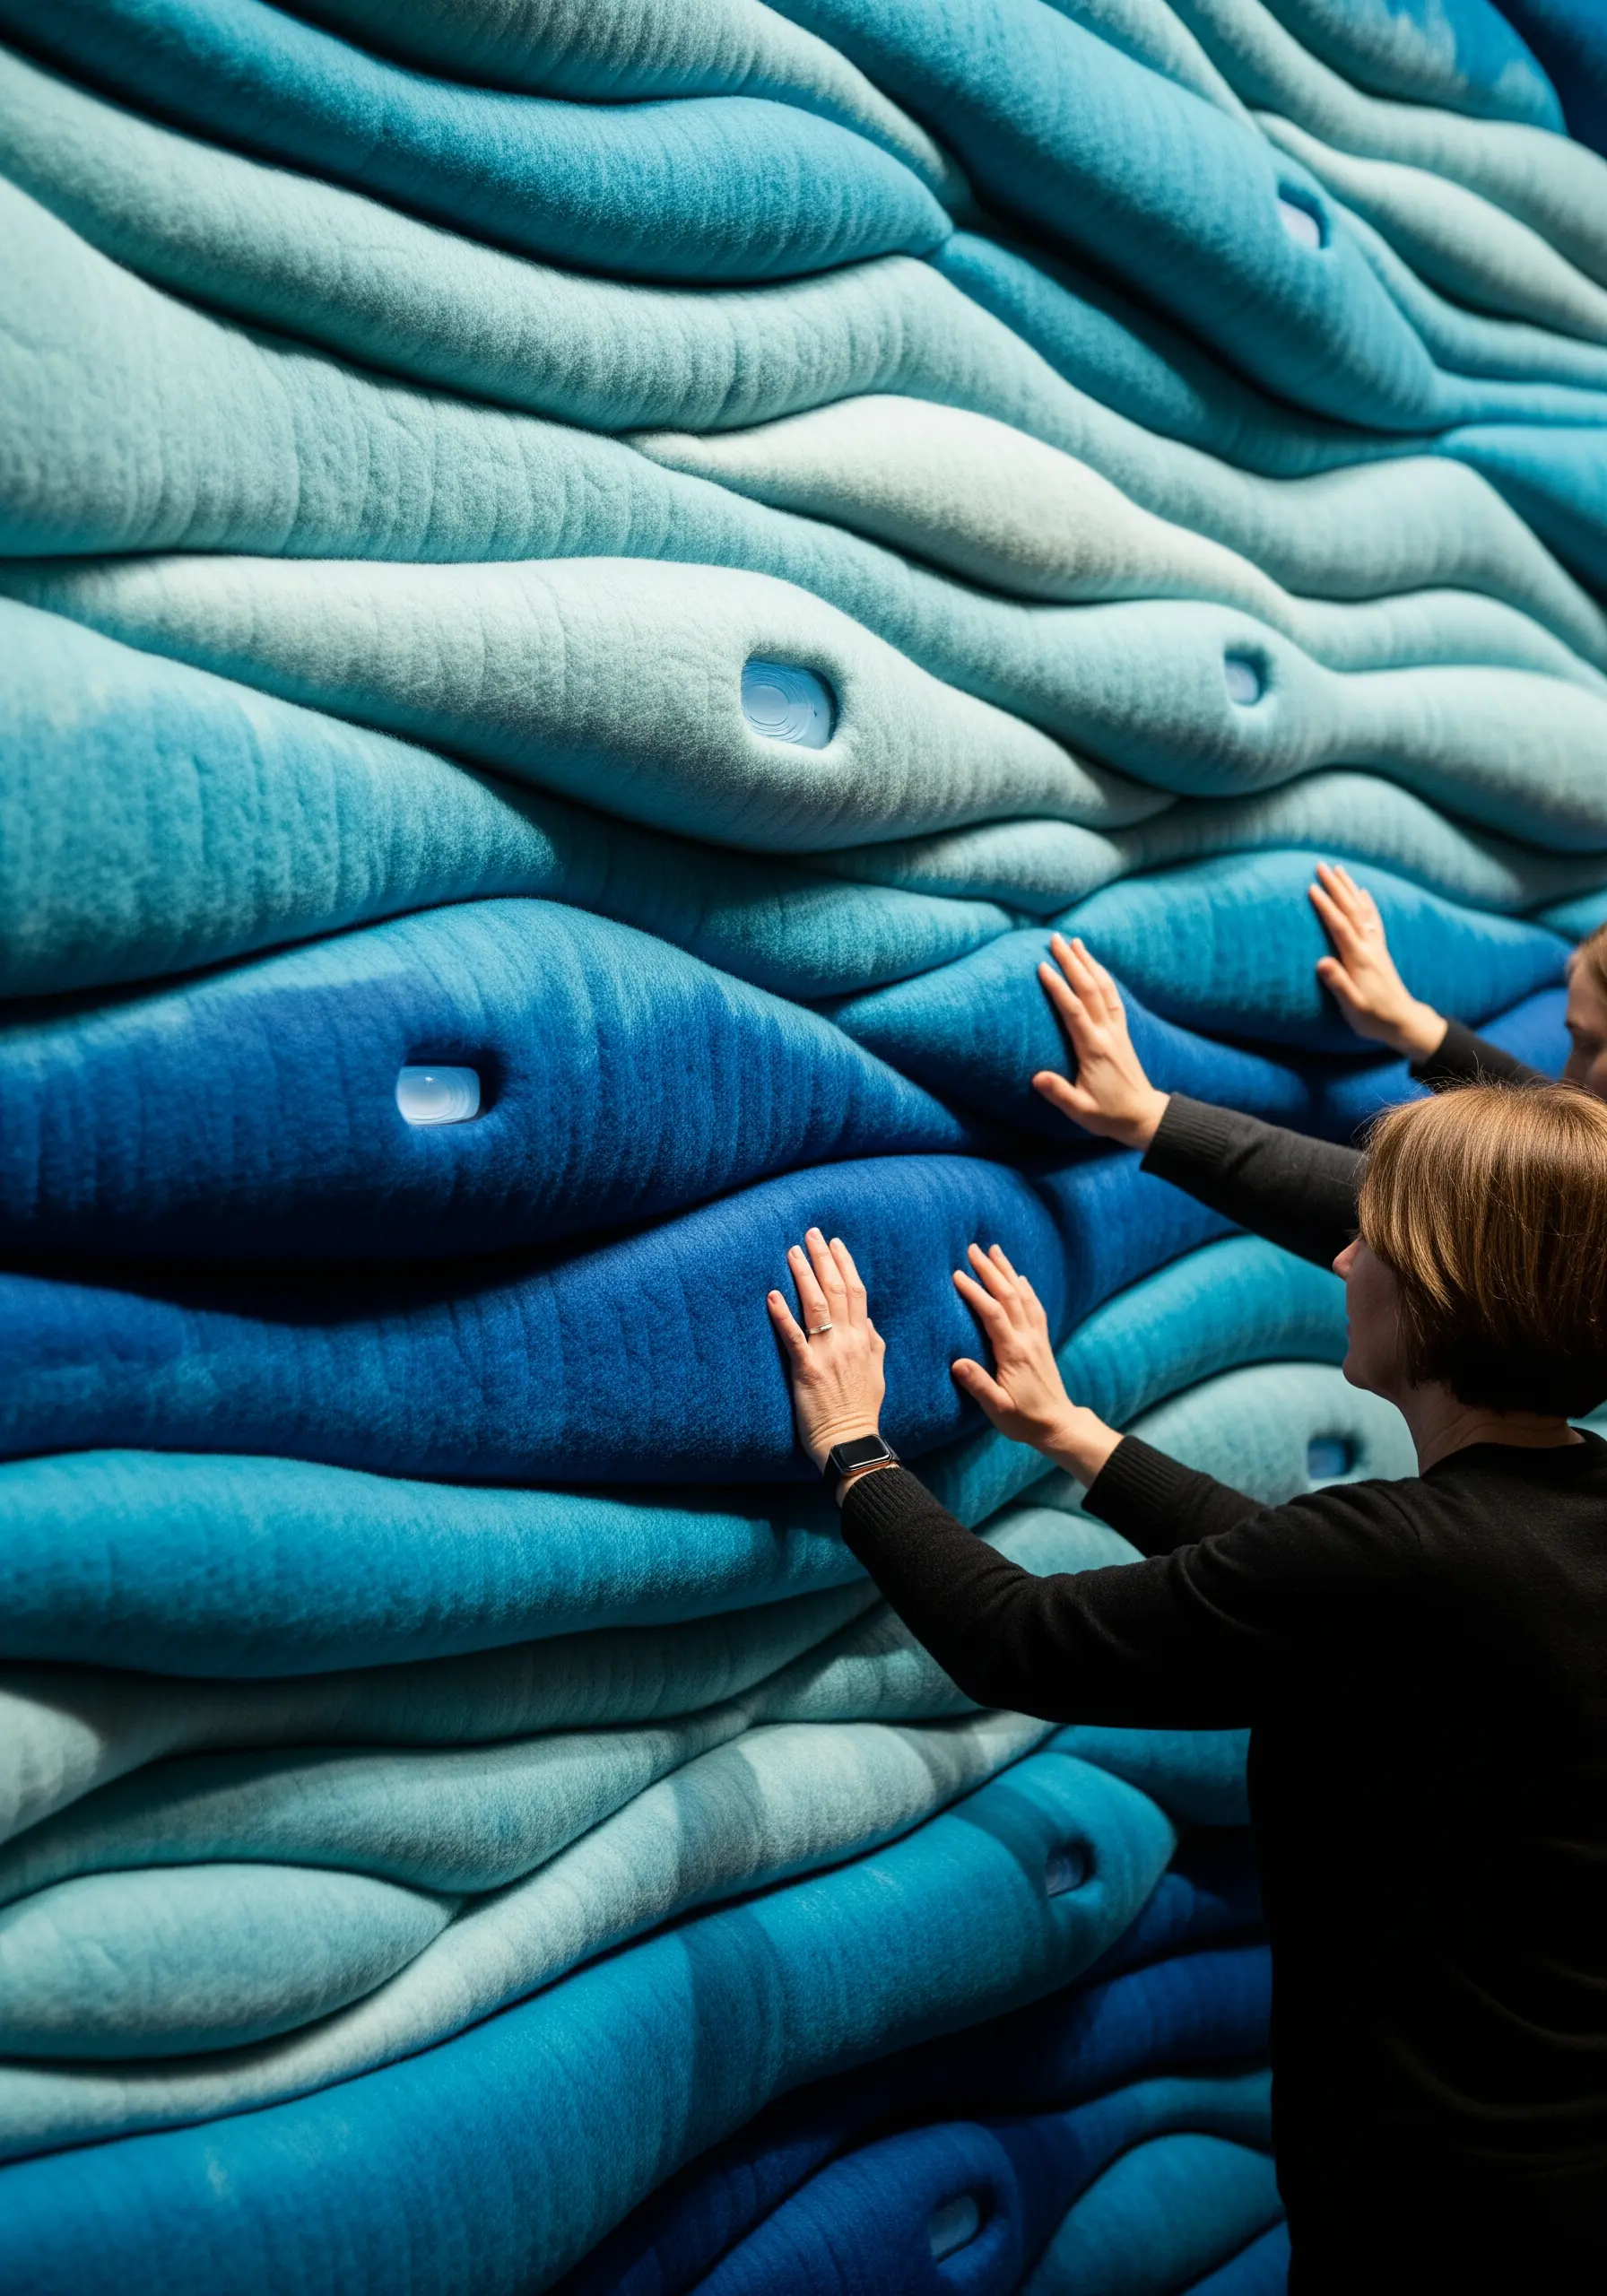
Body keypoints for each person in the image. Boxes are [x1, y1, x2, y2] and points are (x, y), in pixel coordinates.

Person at [764, 1079, 1607, 2289]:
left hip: (1450, 2213)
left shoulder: (1404, 1558)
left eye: (1376, 1240)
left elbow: (1020, 1639)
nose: (1347, 1257)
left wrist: (854, 1450)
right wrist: (1075, 1435)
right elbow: (1301, 1583)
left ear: (1444, 1288)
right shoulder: (1543, 1519)